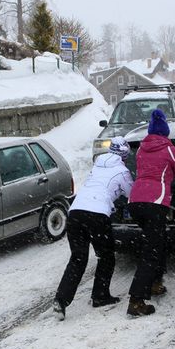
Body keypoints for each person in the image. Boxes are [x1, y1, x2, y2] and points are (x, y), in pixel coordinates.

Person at [127, 109, 175, 317]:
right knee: (152, 250)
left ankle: (155, 283)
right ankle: (137, 300)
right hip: (155, 202)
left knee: (155, 244)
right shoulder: (170, 150)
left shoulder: (141, 149)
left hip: (135, 201)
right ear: (165, 133)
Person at [52, 136, 134, 321]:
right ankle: (100, 296)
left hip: (75, 213)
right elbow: (132, 194)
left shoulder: (97, 165)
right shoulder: (122, 171)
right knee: (106, 256)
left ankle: (61, 300)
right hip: (97, 215)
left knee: (78, 258)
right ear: (124, 156)